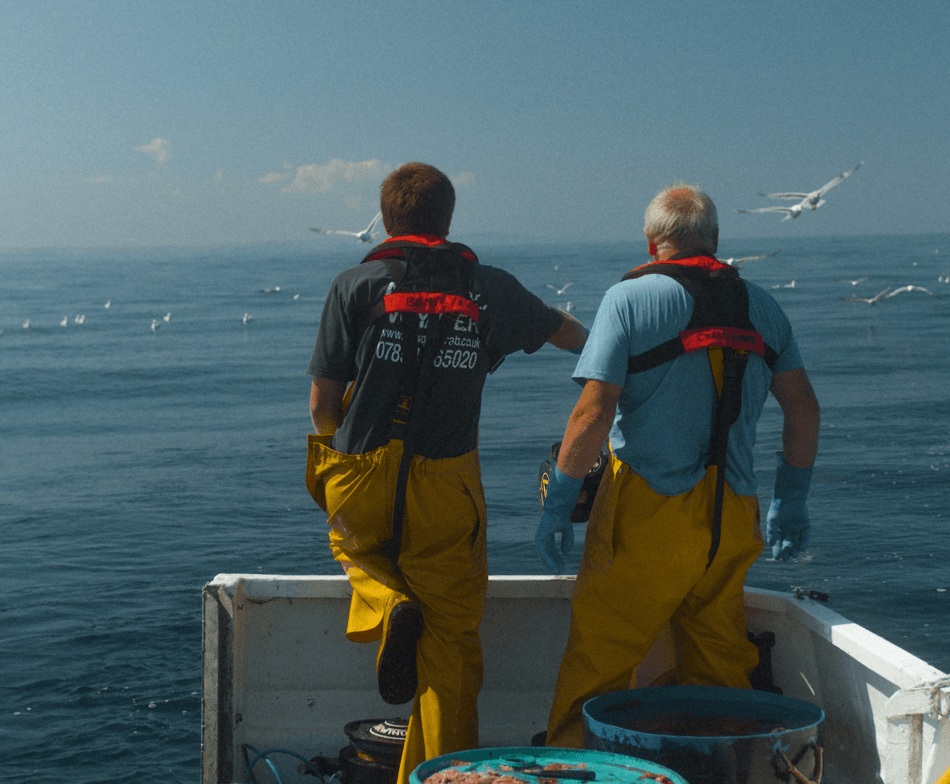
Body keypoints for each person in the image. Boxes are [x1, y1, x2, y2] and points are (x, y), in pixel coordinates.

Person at [306, 163, 587, 782]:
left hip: (362, 472)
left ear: (386, 219)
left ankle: (387, 601)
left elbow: (324, 403)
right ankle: (441, 775)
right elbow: (581, 342)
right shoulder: (491, 288)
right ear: (448, 218)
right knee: (452, 646)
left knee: (352, 548)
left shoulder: (354, 284)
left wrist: (337, 458)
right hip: (446, 477)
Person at [537, 182, 820, 748]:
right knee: (718, 671)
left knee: (600, 660)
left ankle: (571, 766)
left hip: (647, 513)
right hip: (732, 515)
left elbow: (592, 415)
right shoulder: (763, 306)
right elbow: (803, 411)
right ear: (714, 240)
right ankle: (717, 766)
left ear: (651, 243)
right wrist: (792, 499)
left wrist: (559, 503)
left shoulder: (630, 299)